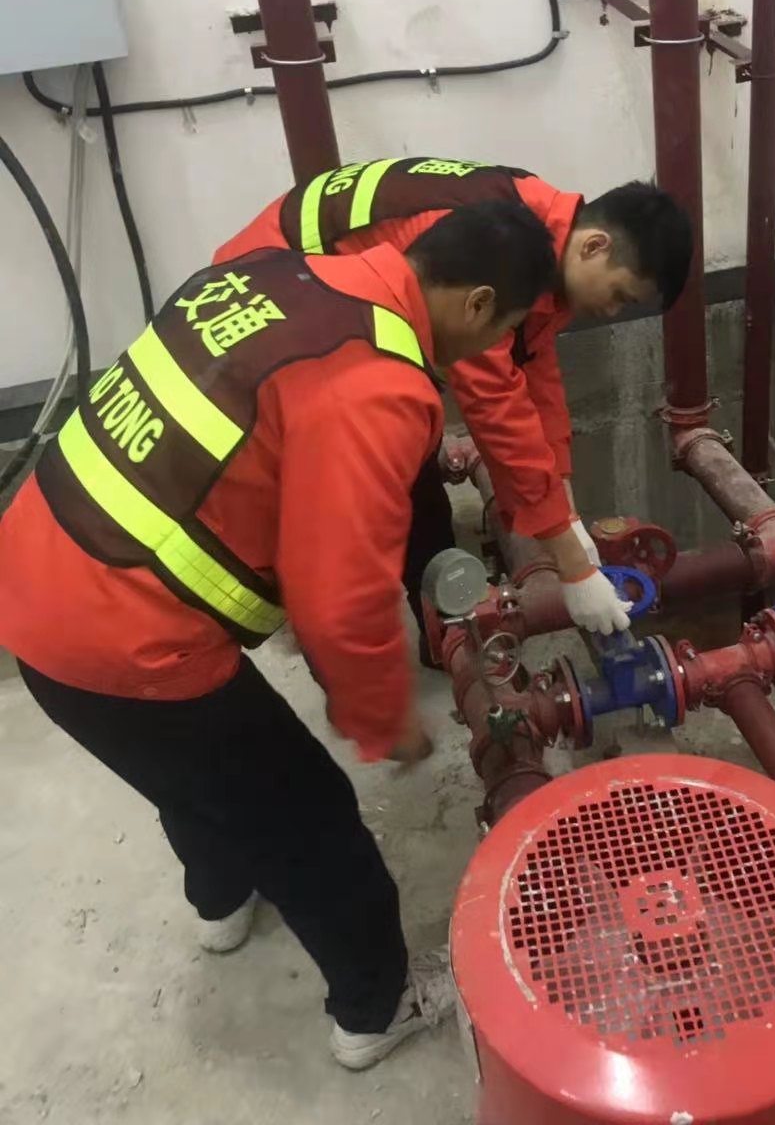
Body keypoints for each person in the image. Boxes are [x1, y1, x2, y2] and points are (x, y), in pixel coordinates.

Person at [0, 201, 557, 1070]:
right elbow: (343, 597)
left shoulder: (272, 274)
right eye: (505, 329)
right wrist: (382, 721)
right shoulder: (380, 382)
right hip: (129, 638)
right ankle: (376, 1009)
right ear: (480, 303)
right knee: (310, 816)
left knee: (191, 776)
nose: (490, 350)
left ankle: (222, 901)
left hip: (34, 582)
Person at [216, 159, 693, 656]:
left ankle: (435, 633)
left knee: (408, 463)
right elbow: (496, 405)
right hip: (266, 302)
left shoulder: (538, 225)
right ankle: (345, 634)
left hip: (302, 289)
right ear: (595, 246)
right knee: (377, 471)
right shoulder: (496, 253)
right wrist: (572, 564)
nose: (612, 311)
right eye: (619, 295)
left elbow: (536, 378)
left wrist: (566, 513)